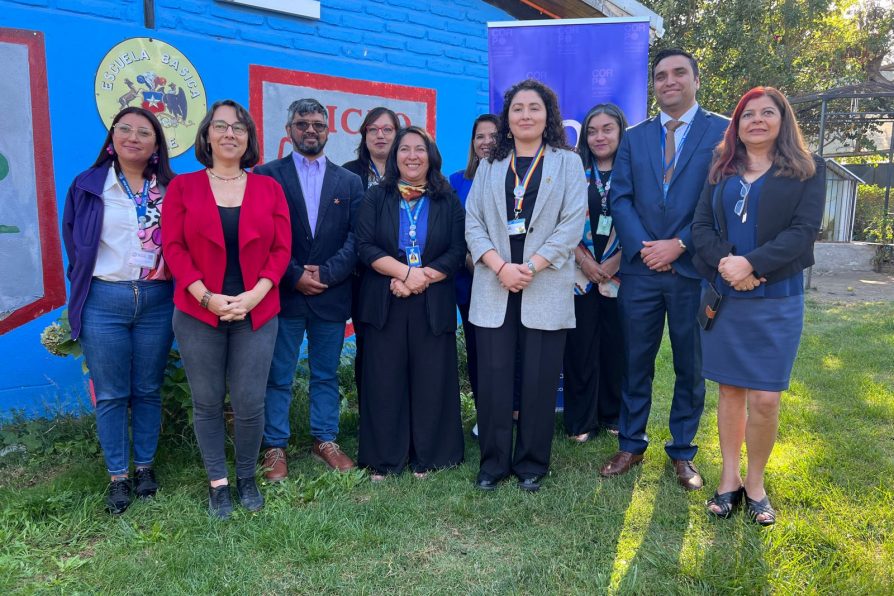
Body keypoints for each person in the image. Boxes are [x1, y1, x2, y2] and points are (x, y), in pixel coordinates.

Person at [692, 87, 825, 525]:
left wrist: (751, 263)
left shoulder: (807, 170)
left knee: (766, 398)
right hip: (727, 298)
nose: (757, 121)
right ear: (737, 124)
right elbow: (701, 226)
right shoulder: (720, 168)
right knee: (730, 391)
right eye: (748, 114)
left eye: (768, 113)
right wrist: (729, 264)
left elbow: (802, 233)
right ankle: (728, 480)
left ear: (783, 121)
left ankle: (756, 483)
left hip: (777, 298)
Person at [600, 49, 729, 491]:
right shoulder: (634, 137)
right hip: (640, 272)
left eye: (678, 73)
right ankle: (631, 444)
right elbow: (620, 197)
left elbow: (720, 199)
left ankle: (683, 452)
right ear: (652, 85)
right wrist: (644, 248)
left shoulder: (722, 131)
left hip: (693, 270)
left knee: (690, 365)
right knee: (635, 360)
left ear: (696, 79)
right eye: (660, 76)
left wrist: (679, 245)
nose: (668, 81)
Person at [162, 100, 291, 519]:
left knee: (251, 401)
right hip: (200, 310)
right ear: (207, 136)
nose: (230, 134)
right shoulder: (183, 187)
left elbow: (281, 249)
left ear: (250, 139)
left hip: (256, 308)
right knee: (207, 400)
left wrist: (254, 295)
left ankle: (246, 477)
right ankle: (218, 482)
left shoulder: (269, 189)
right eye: (221, 126)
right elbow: (174, 247)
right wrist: (206, 296)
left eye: (239, 128)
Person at [465, 79, 587, 492]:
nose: (525, 115)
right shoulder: (490, 165)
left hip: (544, 282)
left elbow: (572, 226)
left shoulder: (568, 163)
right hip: (495, 283)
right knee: (495, 377)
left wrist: (529, 266)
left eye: (534, 108)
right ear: (508, 118)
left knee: (538, 378)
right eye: (518, 109)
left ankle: (532, 462)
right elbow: (473, 223)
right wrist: (501, 266)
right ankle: (494, 462)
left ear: (547, 115)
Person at [62, 107, 176, 515]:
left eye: (144, 132)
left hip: (156, 299)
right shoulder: (89, 186)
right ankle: (118, 476)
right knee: (111, 393)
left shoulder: (169, 189)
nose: (134, 137)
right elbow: (75, 245)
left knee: (147, 388)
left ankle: (144, 467)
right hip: (104, 300)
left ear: (156, 145)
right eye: (125, 129)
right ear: (112, 138)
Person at [255, 98, 364, 480]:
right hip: (283, 292)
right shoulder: (266, 176)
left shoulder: (350, 182)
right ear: (289, 131)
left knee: (326, 373)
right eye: (302, 124)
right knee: (278, 373)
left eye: (318, 123)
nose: (311, 130)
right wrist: (293, 274)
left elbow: (357, 237)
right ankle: (274, 446)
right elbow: (262, 235)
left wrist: (329, 274)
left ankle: (325, 440)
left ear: (328, 130)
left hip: (331, 295)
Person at [354, 125, 466, 480]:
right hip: (385, 298)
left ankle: (432, 456)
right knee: (384, 379)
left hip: (432, 300)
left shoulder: (447, 199)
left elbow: (456, 250)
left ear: (430, 156)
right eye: (404, 149)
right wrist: (405, 274)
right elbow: (365, 246)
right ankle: (385, 459)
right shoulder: (377, 196)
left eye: (420, 149)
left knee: (432, 379)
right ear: (394, 156)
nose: (412, 156)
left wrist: (422, 278)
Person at [563, 104, 628, 443]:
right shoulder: (573, 171)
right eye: (592, 130)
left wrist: (615, 262)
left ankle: (612, 413)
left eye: (607, 129)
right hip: (578, 272)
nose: (599, 136)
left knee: (616, 346)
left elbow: (643, 219)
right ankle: (580, 420)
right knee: (579, 347)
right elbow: (559, 219)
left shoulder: (634, 172)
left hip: (622, 270)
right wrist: (585, 262)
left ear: (620, 132)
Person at [342, 107, 400, 403]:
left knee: (400, 347)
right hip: (362, 277)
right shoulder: (347, 173)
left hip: (403, 275)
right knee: (368, 346)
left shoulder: (410, 171)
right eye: (373, 129)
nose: (380, 135)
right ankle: (370, 411)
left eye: (387, 129)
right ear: (364, 135)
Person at [448, 114, 499, 438]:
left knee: (511, 352)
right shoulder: (456, 182)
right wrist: (473, 261)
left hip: (510, 278)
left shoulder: (514, 177)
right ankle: (486, 413)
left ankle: (514, 409)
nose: (486, 143)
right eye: (479, 136)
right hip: (471, 281)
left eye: (493, 136)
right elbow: (452, 232)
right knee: (480, 351)